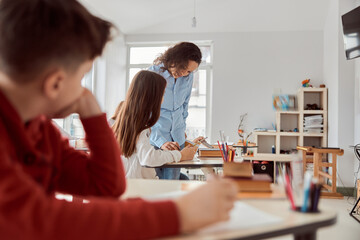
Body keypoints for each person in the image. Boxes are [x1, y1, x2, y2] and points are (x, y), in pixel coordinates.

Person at [0, 0, 238, 239]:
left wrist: (92, 114)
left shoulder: (37, 129)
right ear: (55, 83)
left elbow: (107, 185)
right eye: (83, 76)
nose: (84, 89)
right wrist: (180, 213)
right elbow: (46, 220)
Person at [112, 70, 198, 179]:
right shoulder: (140, 126)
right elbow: (148, 158)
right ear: (153, 97)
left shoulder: (125, 120)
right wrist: (180, 155)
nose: (163, 99)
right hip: (141, 186)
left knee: (183, 178)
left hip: (133, 181)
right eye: (162, 94)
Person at [149, 42, 202, 180]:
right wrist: (161, 141)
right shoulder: (153, 73)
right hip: (155, 138)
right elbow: (144, 113)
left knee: (172, 181)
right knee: (158, 182)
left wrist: (181, 127)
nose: (184, 73)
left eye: (189, 71)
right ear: (174, 59)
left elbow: (185, 105)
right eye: (184, 67)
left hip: (177, 139)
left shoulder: (188, 77)